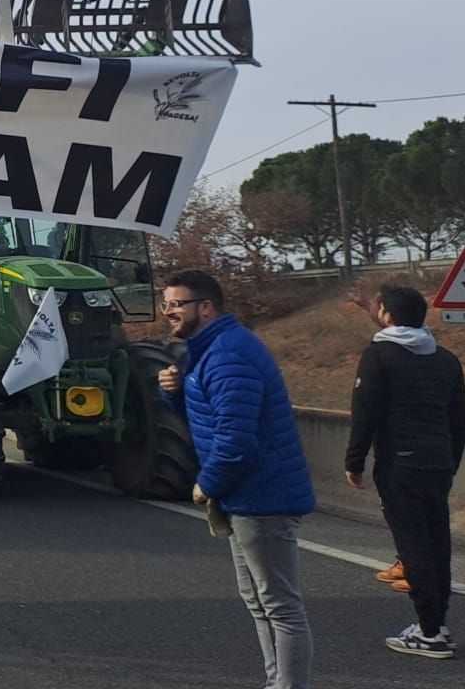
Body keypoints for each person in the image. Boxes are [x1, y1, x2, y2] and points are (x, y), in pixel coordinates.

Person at [157, 269, 315, 689]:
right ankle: (275, 682)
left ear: (205, 307)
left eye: (176, 303)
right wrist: (175, 394)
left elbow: (235, 437)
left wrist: (207, 483)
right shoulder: (206, 351)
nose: (169, 312)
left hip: (262, 495)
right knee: (259, 601)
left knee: (280, 605)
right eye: (166, 304)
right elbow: (210, 419)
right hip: (246, 496)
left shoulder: (228, 354)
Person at [344, 284, 465, 659]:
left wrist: (354, 462)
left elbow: (364, 414)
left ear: (387, 315)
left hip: (400, 464)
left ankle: (429, 631)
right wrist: (449, 460)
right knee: (436, 544)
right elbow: (461, 420)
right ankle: (438, 625)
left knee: (413, 547)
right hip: (438, 464)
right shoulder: (445, 358)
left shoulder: (379, 355)